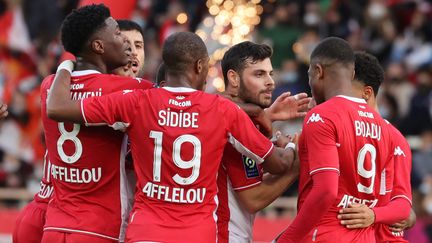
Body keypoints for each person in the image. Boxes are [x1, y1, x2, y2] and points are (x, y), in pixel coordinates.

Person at [48, 31, 297, 243]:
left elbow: (58, 108)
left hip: (144, 231)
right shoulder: (222, 111)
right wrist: (294, 147)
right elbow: (279, 163)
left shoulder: (138, 101)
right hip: (197, 234)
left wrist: (67, 64)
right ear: (200, 66)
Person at [276, 37, 411, 242]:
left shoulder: (323, 115)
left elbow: (326, 190)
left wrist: (285, 240)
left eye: (310, 74)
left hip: (326, 233)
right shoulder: (385, 128)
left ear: (318, 71)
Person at [38, 4, 153, 243]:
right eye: (118, 34)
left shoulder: (49, 86)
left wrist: (67, 64)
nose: (126, 43)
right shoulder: (129, 88)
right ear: (98, 46)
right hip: (98, 229)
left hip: (54, 226)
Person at [217, 41, 308, 242]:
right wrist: (298, 161)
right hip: (222, 235)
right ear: (233, 78)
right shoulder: (231, 123)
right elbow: (253, 198)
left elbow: (247, 185)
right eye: (259, 74)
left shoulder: (231, 116)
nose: (270, 82)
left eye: (270, 74)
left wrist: (265, 115)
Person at [337, 51, 415, 242]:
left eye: (344, 92)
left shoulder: (395, 139)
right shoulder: (344, 129)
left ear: (367, 93)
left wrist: (374, 214)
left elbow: (403, 205)